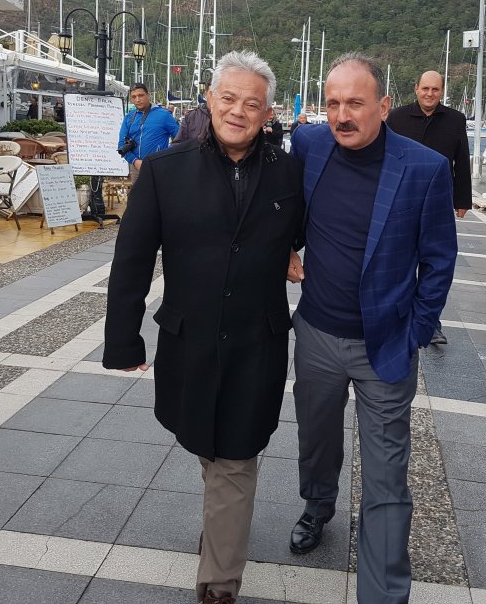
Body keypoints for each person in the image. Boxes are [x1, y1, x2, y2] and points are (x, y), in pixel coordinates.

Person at [103, 50, 304, 604]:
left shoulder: (290, 172)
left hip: (257, 341)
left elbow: (307, 230)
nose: (238, 111)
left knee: (236, 455)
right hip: (189, 339)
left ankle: (218, 582)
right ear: (210, 100)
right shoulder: (165, 170)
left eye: (252, 104)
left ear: (268, 113)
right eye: (229, 98)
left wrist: (294, 253)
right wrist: (123, 339)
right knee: (207, 446)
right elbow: (131, 259)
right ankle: (223, 525)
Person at [287, 53, 457, 604]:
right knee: (316, 440)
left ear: (383, 107)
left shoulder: (424, 168)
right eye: (333, 103)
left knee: (386, 476)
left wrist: (416, 330)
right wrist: (286, 245)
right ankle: (318, 506)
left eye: (355, 104)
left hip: (385, 345)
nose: (342, 115)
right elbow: (281, 204)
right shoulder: (309, 145)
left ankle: (384, 593)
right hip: (316, 334)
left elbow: (439, 261)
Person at [386, 70, 471, 344]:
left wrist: (462, 200)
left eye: (435, 89)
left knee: (435, 263)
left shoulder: (455, 119)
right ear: (416, 89)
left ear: (442, 91)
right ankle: (396, 314)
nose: (429, 94)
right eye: (425, 88)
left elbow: (462, 160)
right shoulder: (396, 117)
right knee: (399, 259)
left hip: (438, 204)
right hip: (401, 201)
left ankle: (431, 322)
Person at [118, 83, 179, 184]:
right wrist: (135, 161)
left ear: (148, 95)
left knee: (160, 194)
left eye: (140, 95)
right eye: (134, 97)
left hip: (159, 167)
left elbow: (180, 138)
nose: (137, 99)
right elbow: (121, 145)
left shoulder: (164, 115)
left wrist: (167, 155)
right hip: (136, 168)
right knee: (139, 194)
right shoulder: (129, 117)